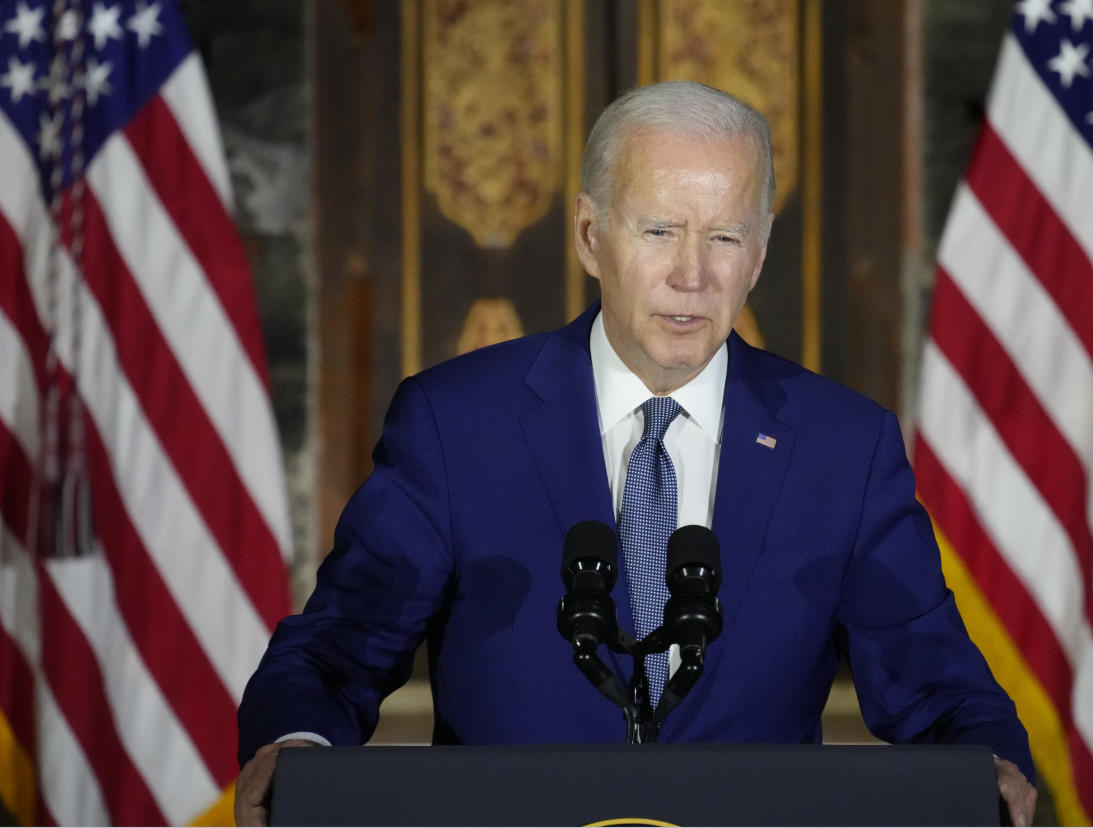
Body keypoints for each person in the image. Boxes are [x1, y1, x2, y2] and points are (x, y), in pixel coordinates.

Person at [235, 80, 1037, 826]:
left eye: (725, 236)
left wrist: (991, 766)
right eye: (659, 231)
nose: (691, 275)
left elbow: (938, 688)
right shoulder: (457, 424)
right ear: (591, 235)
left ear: (758, 255)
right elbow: (339, 650)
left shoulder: (843, 447)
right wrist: (299, 752)